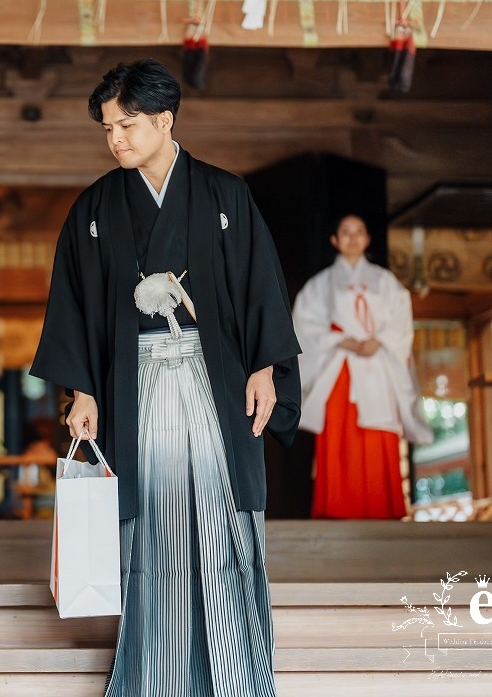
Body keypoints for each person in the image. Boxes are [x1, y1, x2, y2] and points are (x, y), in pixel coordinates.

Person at [31, 59, 301, 697]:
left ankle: (237, 679)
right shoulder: (96, 207)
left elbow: (261, 284)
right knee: (151, 522)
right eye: (107, 129)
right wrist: (84, 390)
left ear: (164, 121)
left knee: (220, 512)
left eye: (126, 125)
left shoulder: (223, 194)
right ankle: (156, 677)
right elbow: (75, 301)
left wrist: (264, 365)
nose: (115, 139)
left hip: (213, 382)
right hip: (138, 386)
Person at [292, 213, 433, 519]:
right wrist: (339, 340)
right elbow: (303, 325)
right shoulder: (321, 284)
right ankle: (337, 507)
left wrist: (379, 339)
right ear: (334, 240)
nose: (353, 238)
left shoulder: (385, 281)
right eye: (346, 232)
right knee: (340, 431)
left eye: (359, 232)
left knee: (378, 433)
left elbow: (400, 322)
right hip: (339, 367)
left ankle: (383, 507)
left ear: (368, 239)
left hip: (377, 365)